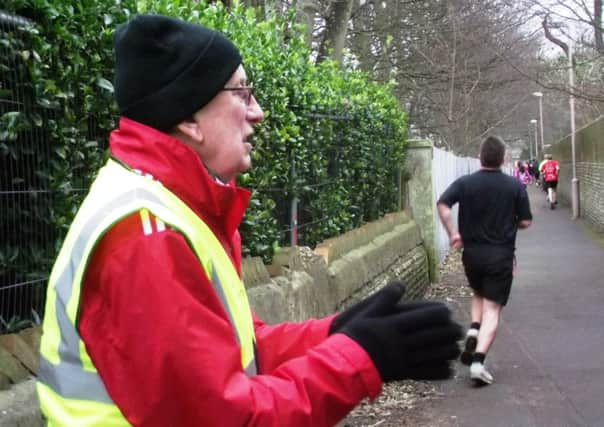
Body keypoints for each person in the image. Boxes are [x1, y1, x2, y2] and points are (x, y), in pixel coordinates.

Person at [36, 14, 462, 426]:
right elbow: (225, 418)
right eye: (242, 93)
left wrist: (334, 333)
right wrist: (358, 359)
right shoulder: (147, 235)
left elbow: (238, 350)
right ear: (188, 117)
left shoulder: (173, 206)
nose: (257, 112)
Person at [436, 136, 532, 386]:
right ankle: (478, 362)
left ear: (480, 156)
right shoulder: (514, 186)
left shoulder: (465, 183)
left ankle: (474, 329)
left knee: (479, 291)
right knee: (493, 307)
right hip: (500, 256)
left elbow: (443, 204)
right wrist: (511, 222)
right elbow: (526, 221)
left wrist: (453, 233)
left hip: (472, 255)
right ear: (503, 159)